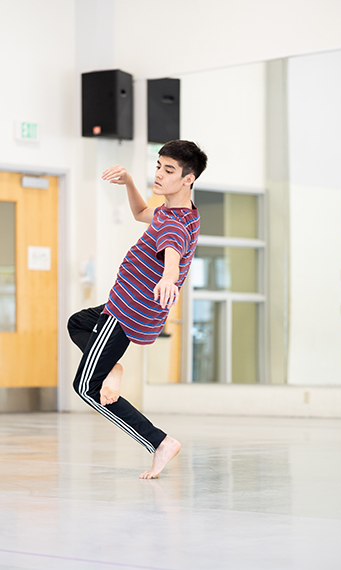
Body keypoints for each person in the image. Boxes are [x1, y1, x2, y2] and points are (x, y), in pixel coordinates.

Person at [67, 140, 207, 479]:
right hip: (124, 302)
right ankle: (111, 367)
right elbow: (140, 214)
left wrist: (169, 279)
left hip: (126, 310)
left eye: (169, 170)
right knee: (78, 323)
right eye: (158, 166)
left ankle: (159, 442)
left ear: (188, 179)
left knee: (86, 387)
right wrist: (130, 181)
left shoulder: (173, 224)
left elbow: (171, 253)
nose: (159, 174)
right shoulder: (176, 211)